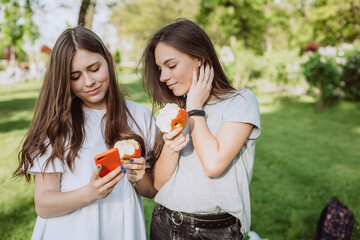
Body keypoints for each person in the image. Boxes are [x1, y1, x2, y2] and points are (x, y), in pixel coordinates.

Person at [13, 26, 157, 240]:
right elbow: (44, 204)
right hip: (69, 231)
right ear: (64, 80)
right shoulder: (56, 125)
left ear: (107, 60)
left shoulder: (140, 116)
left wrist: (139, 176)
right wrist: (90, 193)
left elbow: (152, 190)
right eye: (75, 76)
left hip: (121, 230)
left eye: (94, 68)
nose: (88, 82)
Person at [140, 19, 261, 239]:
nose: (162, 77)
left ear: (200, 59)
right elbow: (158, 183)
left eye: (171, 65)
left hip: (213, 231)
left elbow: (213, 164)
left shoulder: (241, 101)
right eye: (159, 69)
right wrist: (171, 147)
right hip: (164, 223)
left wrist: (195, 108)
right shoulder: (175, 109)